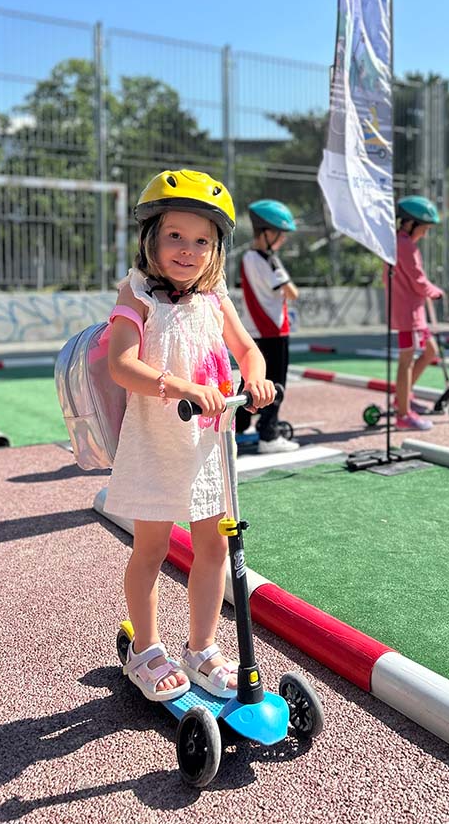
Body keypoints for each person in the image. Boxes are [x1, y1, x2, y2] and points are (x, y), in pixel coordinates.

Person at [105, 169, 276, 703]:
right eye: (175, 235)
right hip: (157, 441)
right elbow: (121, 364)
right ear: (150, 237)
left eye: (202, 240)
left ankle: (201, 649)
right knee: (152, 547)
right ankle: (145, 649)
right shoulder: (137, 295)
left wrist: (254, 376)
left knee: (213, 547)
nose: (188, 249)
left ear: (216, 249)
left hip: (209, 446)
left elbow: (248, 350)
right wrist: (177, 384)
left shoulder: (214, 299)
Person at [234, 199, 300, 454]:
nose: (282, 239)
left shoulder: (250, 258)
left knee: (251, 380)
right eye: (280, 234)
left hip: (258, 329)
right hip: (271, 329)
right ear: (267, 233)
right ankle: (269, 434)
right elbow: (292, 293)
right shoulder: (266, 260)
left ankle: (238, 427)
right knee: (275, 383)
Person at [385, 195, 443, 431]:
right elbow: (418, 280)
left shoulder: (403, 243)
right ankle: (402, 414)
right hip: (408, 313)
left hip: (414, 311)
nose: (426, 234)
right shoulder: (404, 245)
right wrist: (435, 291)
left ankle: (403, 397)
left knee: (430, 351)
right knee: (406, 362)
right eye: (425, 228)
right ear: (410, 223)